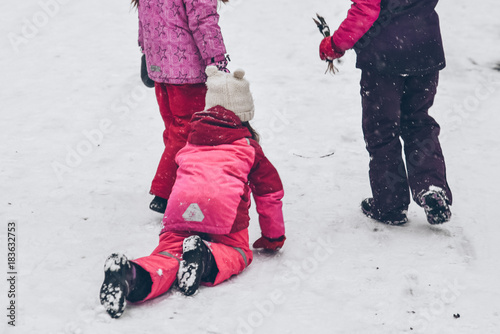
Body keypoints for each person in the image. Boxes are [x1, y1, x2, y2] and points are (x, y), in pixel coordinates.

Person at [99, 67, 286, 319]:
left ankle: (131, 275)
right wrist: (273, 238)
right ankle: (205, 257)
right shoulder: (248, 147)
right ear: (245, 115)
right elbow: (269, 195)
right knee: (238, 253)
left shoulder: (191, 141)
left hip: (181, 212)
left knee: (167, 257)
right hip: (224, 219)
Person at [319, 0, 452, 225]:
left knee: (382, 129)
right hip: (424, 48)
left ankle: (390, 206)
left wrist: (335, 44)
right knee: (418, 121)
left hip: (384, 58)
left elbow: (365, 9)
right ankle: (432, 188)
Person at [132, 0, 231, 213]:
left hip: (160, 67)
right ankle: (165, 192)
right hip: (187, 71)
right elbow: (203, 21)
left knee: (174, 130)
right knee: (188, 130)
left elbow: (144, 16)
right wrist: (216, 60)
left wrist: (145, 52)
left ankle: (181, 184)